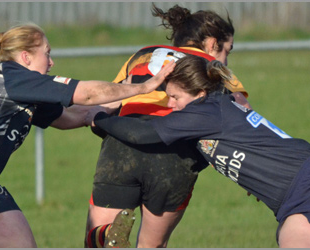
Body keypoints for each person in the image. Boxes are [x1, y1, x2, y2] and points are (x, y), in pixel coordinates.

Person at [0, 23, 174, 248]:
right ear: (25, 57)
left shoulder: (20, 90)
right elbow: (87, 94)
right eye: (47, 54)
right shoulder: (15, 76)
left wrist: (129, 95)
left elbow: (79, 115)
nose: (51, 62)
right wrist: (145, 85)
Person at [91, 55, 310, 248]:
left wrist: (98, 117)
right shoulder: (210, 109)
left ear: (200, 94)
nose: (170, 105)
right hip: (290, 203)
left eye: (175, 97)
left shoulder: (206, 110)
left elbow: (142, 133)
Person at [85, 4, 251, 248]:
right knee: (152, 245)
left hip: (123, 144)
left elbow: (111, 99)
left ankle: (108, 236)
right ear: (213, 43)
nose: (226, 58)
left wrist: (95, 120)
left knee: (98, 241)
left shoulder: (143, 54)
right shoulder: (214, 67)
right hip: (175, 153)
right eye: (228, 50)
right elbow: (243, 113)